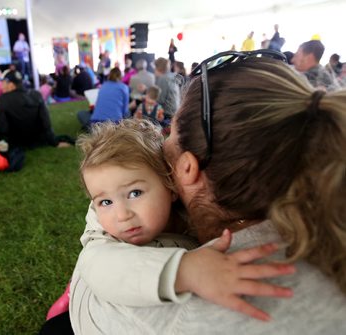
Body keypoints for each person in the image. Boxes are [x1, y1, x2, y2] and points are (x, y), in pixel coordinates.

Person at [68, 51, 346, 334]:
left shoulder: (188, 310)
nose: (162, 143)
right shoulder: (314, 205)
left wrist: (184, 271)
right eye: (104, 201)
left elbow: (90, 282)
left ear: (187, 168)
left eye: (172, 133)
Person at [0, 70, 71, 149]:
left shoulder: (3, 99)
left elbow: (3, 127)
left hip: (17, 143)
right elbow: (46, 121)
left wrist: (2, 144)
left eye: (3, 83)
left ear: (11, 84)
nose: (1, 86)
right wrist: (54, 142)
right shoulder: (36, 94)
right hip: (39, 141)